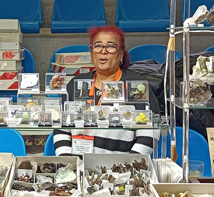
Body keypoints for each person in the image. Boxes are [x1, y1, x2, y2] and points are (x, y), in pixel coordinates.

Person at [54, 26, 160, 155]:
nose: (103, 51)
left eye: (110, 46)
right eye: (98, 46)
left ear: (121, 55)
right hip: (79, 162)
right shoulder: (77, 84)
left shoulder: (136, 86)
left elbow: (150, 133)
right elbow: (61, 128)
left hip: (121, 164)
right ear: (91, 53)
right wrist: (69, 161)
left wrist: (130, 163)